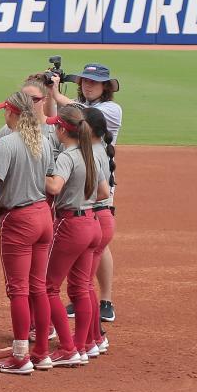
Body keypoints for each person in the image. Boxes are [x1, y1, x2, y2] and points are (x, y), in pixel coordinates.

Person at [0, 91, 55, 375]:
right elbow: (50, 181)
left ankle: (20, 355)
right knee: (38, 287)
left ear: (13, 113)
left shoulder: (8, 144)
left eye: (6, 111)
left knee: (18, 289)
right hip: (43, 216)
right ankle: (42, 353)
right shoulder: (44, 140)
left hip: (20, 221)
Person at [50, 63, 122, 323]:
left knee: (99, 245)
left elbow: (85, 116)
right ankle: (83, 300)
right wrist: (52, 96)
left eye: (95, 82)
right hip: (82, 179)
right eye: (85, 81)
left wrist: (58, 95)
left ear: (106, 86)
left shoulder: (111, 109)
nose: (88, 85)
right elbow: (59, 121)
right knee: (87, 249)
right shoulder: (75, 106)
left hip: (98, 188)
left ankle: (106, 301)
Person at [43, 104, 109, 366]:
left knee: (48, 287)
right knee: (82, 286)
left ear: (62, 130)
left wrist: (38, 172)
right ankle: (84, 346)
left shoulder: (67, 156)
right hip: (94, 222)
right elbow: (103, 192)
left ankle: (68, 348)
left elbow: (55, 186)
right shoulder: (91, 153)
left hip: (71, 225)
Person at [81, 107, 115, 356]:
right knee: (84, 284)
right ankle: (95, 336)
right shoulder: (99, 149)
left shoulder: (91, 153)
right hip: (104, 218)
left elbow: (101, 193)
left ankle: (91, 339)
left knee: (81, 285)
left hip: (95, 217)